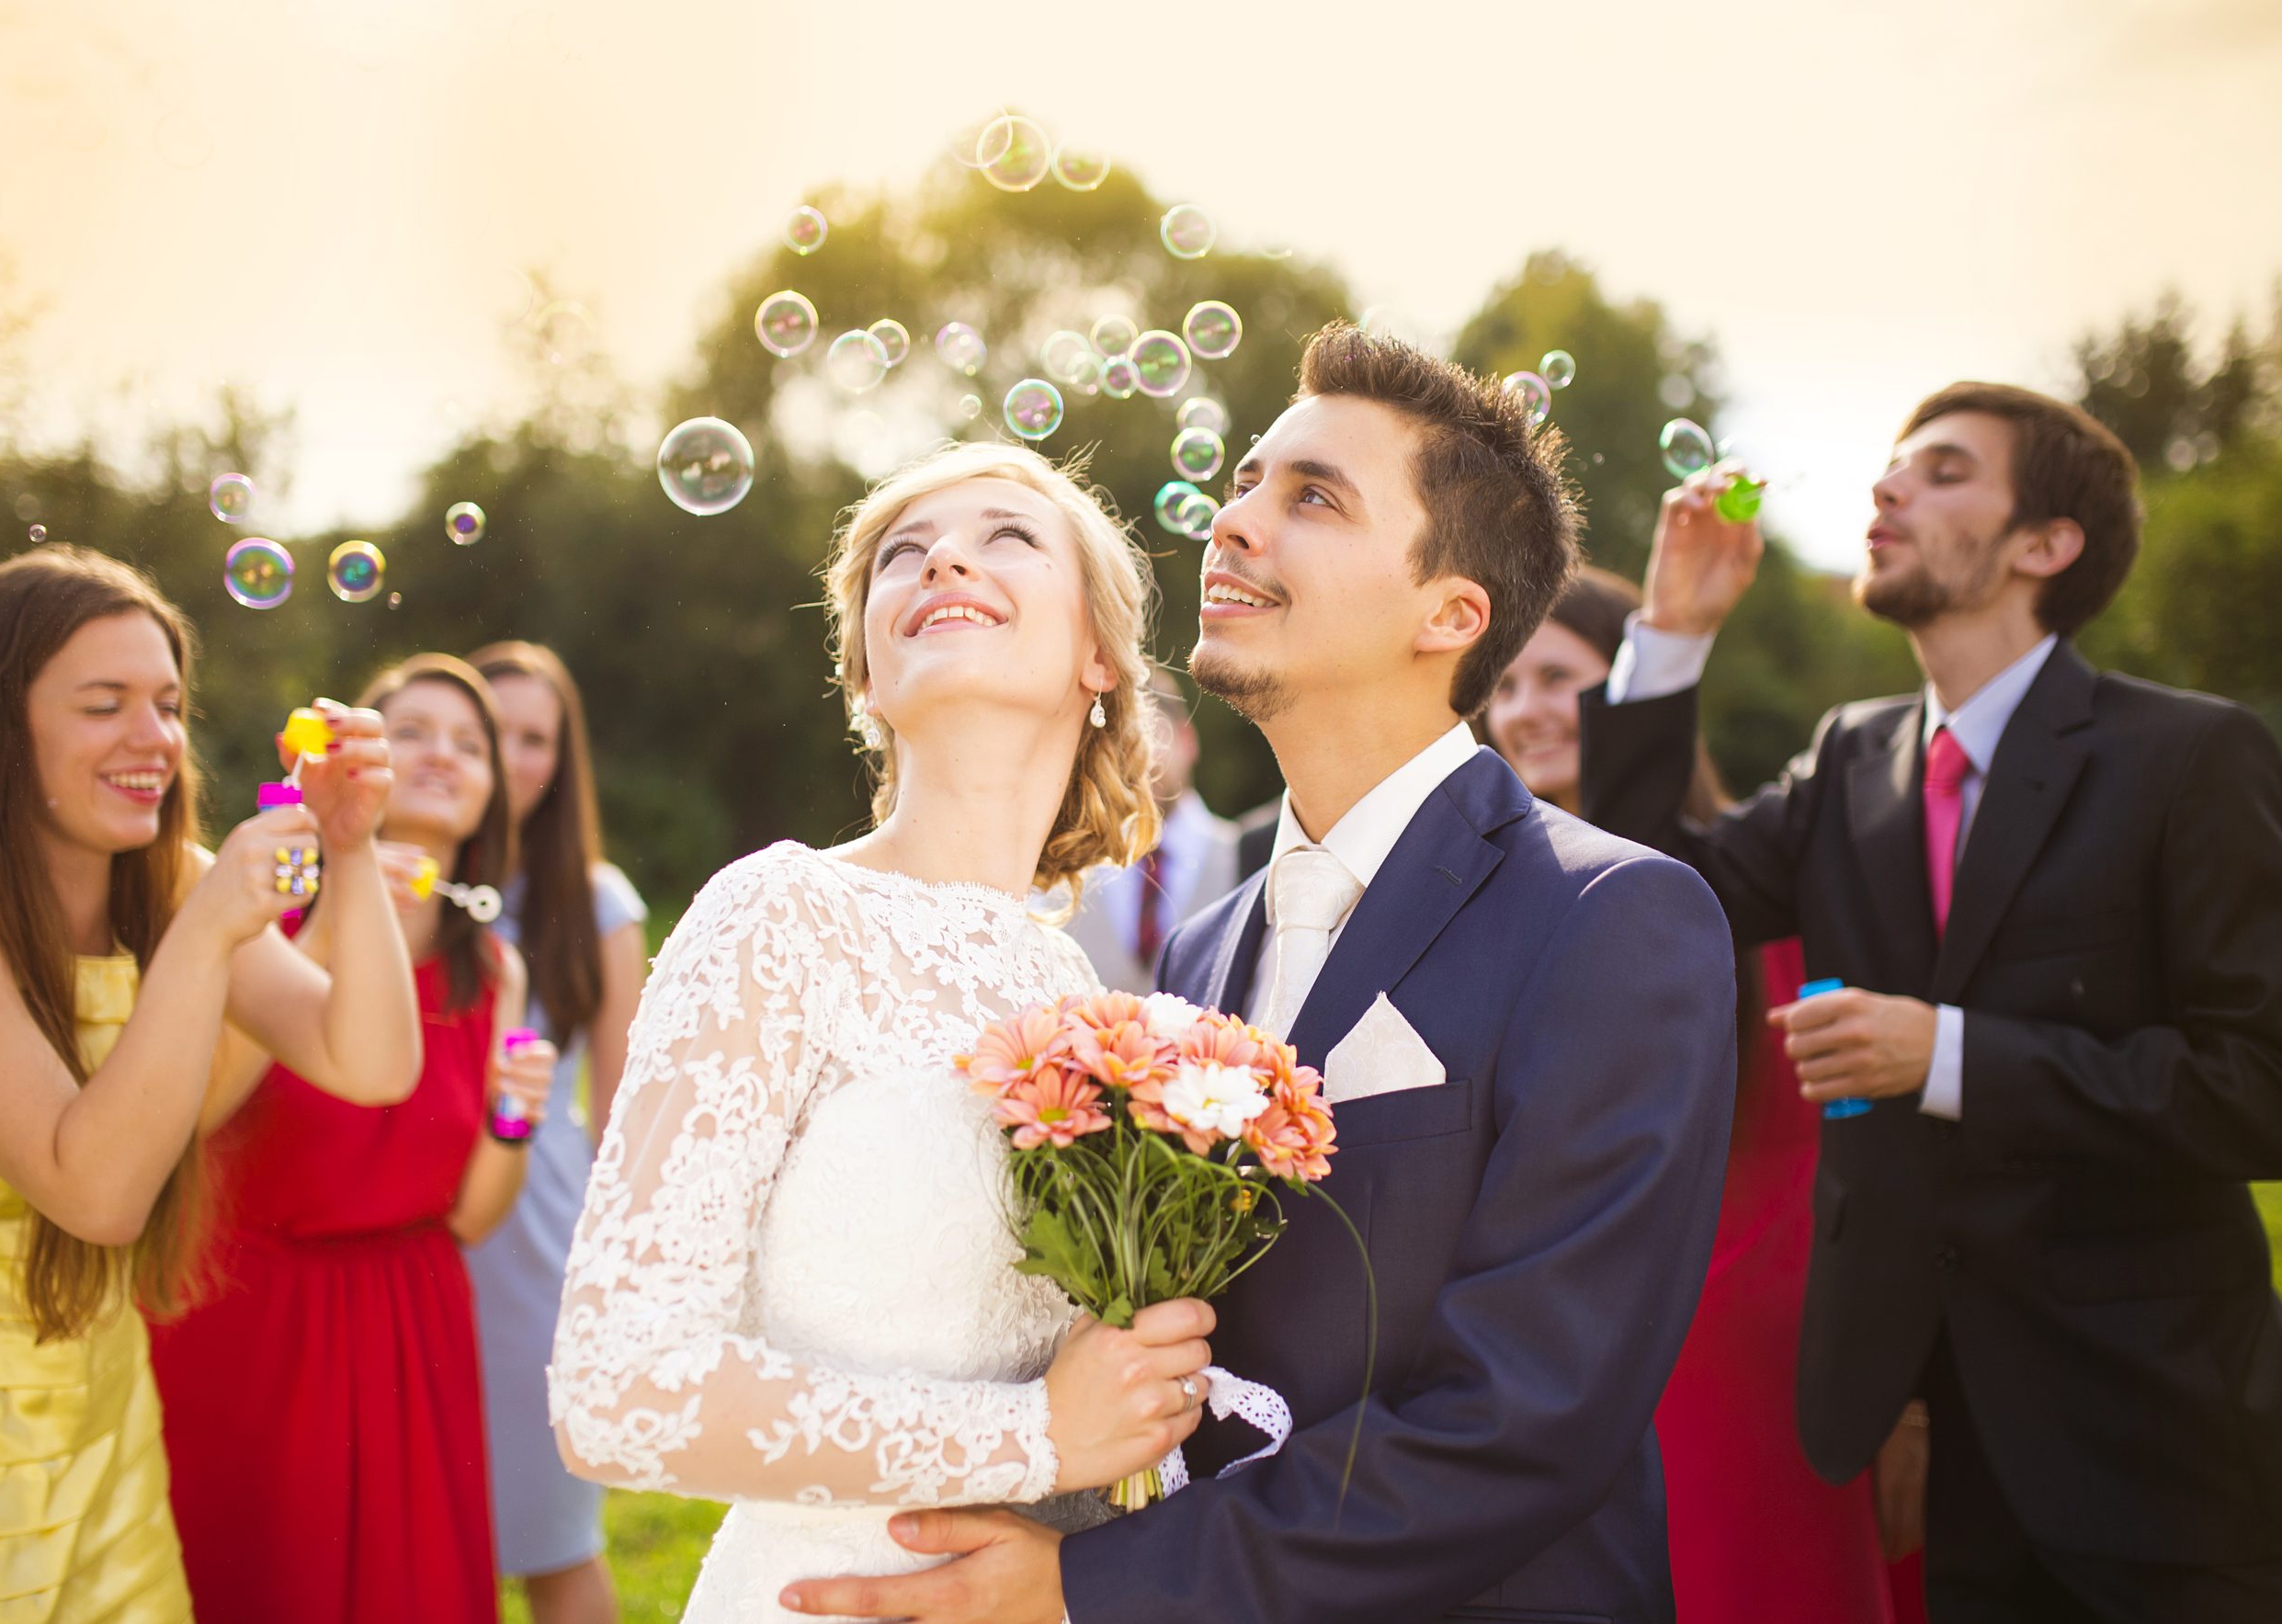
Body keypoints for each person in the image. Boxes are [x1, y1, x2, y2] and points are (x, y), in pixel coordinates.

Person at [783, 324, 1738, 1624]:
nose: (1235, 523)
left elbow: (1527, 1416)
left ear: (1449, 612)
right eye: (1244, 481)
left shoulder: (1611, 919)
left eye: (1314, 498)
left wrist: (1095, 1585)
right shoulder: (1199, 946)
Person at [1577, 383, 2282, 1621]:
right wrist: (1673, 632)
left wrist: (1950, 1054)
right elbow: (1646, 899)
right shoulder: (1853, 758)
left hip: (2157, 1454)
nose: (1887, 489)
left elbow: (2261, 1087)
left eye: (1944, 471)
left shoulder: (2188, 758)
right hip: (1935, 1453)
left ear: (2045, 545)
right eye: (1891, 468)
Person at [545, 441, 1217, 1624]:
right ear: (864, 671)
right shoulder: (779, 914)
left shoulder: (1070, 989)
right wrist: (1031, 1437)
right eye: (901, 555)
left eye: (1007, 535)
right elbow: (618, 1388)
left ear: (1100, 658)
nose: (943, 555)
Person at [0, 545, 419, 1619]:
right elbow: (95, 1193)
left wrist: (349, 850)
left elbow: (370, 1063)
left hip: (104, 1446)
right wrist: (203, 935)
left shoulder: (168, 883)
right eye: (104, 705)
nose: (153, 741)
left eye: (165, 703)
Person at [1485, 564, 1924, 1624]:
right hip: (1556, 1342)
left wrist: (1909, 1387)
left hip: (1750, 1346)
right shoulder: (1492, 904)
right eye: (1501, 686)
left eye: (1559, 676)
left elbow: (1863, 1142)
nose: (1523, 709)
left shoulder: (1751, 881)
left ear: (1636, 692)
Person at [152, 653, 553, 1624]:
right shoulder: (256, 914)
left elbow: (467, 1218)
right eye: (408, 731)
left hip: (409, 1326)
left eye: (470, 743)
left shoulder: (492, 969)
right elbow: (190, 1115)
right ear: (348, 760)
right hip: (248, 1318)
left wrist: (513, 1117)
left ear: (493, 791)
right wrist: (333, 908)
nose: (441, 755)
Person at [464, 639, 650, 1624]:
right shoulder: (386, 880)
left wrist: (623, 1283)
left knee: (552, 1539)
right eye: (491, 730)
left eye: (535, 738)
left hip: (536, 1251)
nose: (510, 758)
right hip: (406, 1232)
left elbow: (623, 1115)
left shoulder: (599, 903)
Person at [1062, 667, 1240, 993]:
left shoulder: (1246, 857)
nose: (1139, 759)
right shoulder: (1068, 877)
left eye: (1151, 735)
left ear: (1187, 741)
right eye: (1119, 744)